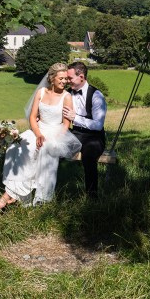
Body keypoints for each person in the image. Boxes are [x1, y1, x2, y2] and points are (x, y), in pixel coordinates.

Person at [0, 62, 81, 210]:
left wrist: (53, 138)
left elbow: (66, 125)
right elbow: (33, 117)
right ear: (52, 78)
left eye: (66, 79)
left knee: (42, 151)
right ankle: (16, 193)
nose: (65, 82)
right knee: (16, 148)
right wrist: (38, 134)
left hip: (55, 132)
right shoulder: (41, 92)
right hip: (38, 129)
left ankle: (12, 197)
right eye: (61, 78)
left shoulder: (67, 97)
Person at [63, 61, 107, 199]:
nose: (67, 81)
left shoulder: (97, 95)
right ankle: (47, 192)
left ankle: (92, 197)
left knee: (89, 155)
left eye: (70, 78)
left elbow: (98, 125)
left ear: (81, 77)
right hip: (75, 133)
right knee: (53, 150)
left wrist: (75, 117)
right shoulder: (67, 94)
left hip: (94, 136)